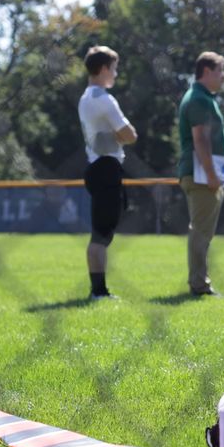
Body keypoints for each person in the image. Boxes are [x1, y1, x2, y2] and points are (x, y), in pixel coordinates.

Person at [78, 45, 138, 300]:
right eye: (113, 69)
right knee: (101, 234)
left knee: (102, 232)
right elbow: (130, 135)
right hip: (106, 167)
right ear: (103, 69)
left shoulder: (85, 97)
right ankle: (99, 291)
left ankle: (98, 289)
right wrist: (118, 136)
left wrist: (113, 136)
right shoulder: (103, 98)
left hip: (97, 166)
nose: (115, 74)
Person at [177, 51, 224, 296]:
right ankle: (199, 284)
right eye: (220, 71)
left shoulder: (202, 97)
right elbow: (200, 138)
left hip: (203, 175)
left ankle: (200, 281)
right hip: (200, 176)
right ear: (207, 71)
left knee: (203, 230)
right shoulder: (199, 99)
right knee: (200, 230)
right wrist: (210, 174)